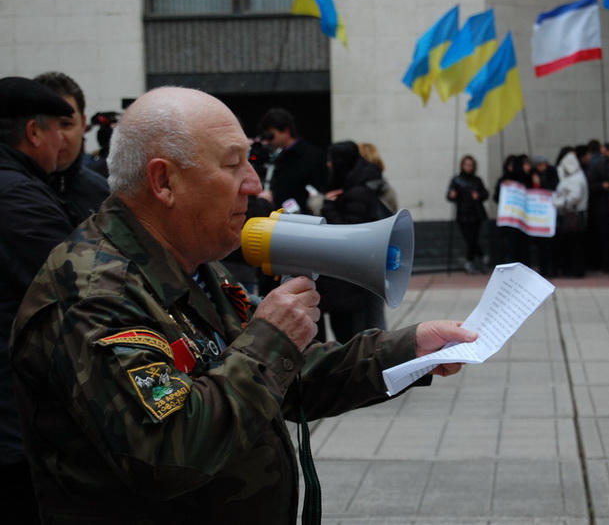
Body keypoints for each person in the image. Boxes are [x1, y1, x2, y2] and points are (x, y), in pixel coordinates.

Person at [9, 87, 476, 524]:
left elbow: (285, 376)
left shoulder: (193, 265)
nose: (253, 184)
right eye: (233, 165)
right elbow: (167, 451)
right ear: (163, 181)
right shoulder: (95, 296)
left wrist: (408, 351)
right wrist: (272, 338)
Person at [0, 76, 75, 523]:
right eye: (58, 128)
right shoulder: (18, 199)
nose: (63, 141)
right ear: (33, 132)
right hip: (13, 422)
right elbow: (77, 288)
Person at [318, 140, 389, 340]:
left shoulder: (356, 191)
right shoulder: (356, 186)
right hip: (353, 278)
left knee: (354, 332)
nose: (328, 164)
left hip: (350, 279)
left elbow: (347, 233)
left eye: (331, 160)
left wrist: (328, 206)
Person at [34, 71, 110, 223]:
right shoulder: (13, 194)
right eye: (46, 126)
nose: (57, 137)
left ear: (83, 123)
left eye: (65, 124)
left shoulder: (104, 195)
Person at [258, 107, 328, 214]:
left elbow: (320, 189)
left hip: (303, 216)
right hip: (280, 214)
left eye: (271, 135)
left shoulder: (313, 156)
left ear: (286, 131)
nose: (269, 140)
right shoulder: (277, 157)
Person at [447, 154, 489, 274]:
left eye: (471, 165)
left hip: (476, 214)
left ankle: (471, 261)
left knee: (474, 239)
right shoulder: (456, 180)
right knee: (470, 240)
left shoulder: (477, 180)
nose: (469, 167)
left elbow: (485, 194)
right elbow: (449, 196)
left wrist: (478, 196)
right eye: (466, 165)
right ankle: (481, 257)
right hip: (463, 215)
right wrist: (452, 195)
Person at [586, 140, 609, 272]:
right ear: (607, 151)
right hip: (604, 208)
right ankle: (607, 264)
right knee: (605, 238)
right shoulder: (598, 165)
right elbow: (591, 185)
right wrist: (602, 186)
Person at [552, 149, 588, 278]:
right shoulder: (579, 175)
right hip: (576, 214)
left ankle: (574, 270)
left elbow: (575, 196)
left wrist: (559, 203)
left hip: (572, 214)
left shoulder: (574, 178)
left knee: (573, 245)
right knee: (576, 245)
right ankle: (576, 270)